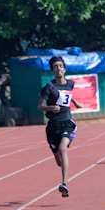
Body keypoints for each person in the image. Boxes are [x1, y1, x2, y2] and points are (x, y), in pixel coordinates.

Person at [37, 56, 82, 198]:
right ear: (52, 70)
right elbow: (39, 107)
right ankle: (61, 164)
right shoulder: (49, 87)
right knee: (58, 160)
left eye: (61, 66)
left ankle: (64, 183)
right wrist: (50, 107)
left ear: (65, 69)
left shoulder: (70, 84)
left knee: (63, 149)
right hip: (52, 127)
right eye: (56, 66)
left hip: (67, 123)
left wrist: (75, 103)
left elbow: (68, 94)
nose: (59, 69)